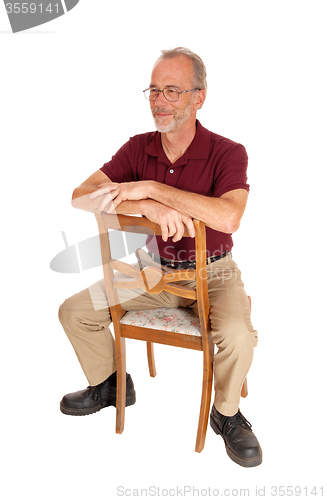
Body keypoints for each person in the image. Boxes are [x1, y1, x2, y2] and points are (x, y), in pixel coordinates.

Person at [58, 47, 262, 467]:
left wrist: (153, 188)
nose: (159, 101)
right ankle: (112, 384)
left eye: (172, 90)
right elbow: (81, 196)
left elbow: (230, 216)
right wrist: (145, 207)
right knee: (75, 311)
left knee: (239, 337)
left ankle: (225, 414)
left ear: (198, 97)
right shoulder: (138, 148)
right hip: (153, 272)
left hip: (215, 273)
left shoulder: (229, 152)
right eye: (154, 90)